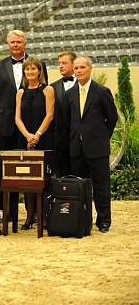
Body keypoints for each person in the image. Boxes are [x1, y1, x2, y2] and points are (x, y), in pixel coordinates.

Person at [0, 30, 44, 226]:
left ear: (25, 43)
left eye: (19, 42)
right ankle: (10, 214)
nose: (16, 45)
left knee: (31, 171)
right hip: (5, 126)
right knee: (7, 172)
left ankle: (33, 215)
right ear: (7, 44)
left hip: (31, 126)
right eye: (12, 42)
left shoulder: (37, 63)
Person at [65, 55, 118, 233]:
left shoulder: (102, 92)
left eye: (82, 68)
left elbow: (112, 118)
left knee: (101, 186)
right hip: (76, 149)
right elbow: (68, 121)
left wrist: (101, 137)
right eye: (76, 68)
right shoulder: (69, 94)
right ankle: (83, 219)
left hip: (97, 149)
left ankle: (103, 221)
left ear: (90, 69)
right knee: (80, 187)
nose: (78, 71)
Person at [15, 57, 55, 230]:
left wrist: (37, 135)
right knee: (27, 179)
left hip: (44, 138)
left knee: (44, 179)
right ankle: (30, 215)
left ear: (39, 71)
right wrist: (27, 136)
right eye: (27, 69)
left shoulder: (48, 90)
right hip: (25, 139)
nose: (30, 72)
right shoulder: (20, 92)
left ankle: (44, 216)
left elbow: (50, 115)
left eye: (33, 69)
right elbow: (17, 118)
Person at [50, 51, 77, 176]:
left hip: (80, 141)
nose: (60, 66)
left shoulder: (84, 85)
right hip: (60, 142)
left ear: (73, 65)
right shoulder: (52, 87)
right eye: (59, 63)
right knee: (62, 177)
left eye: (64, 63)